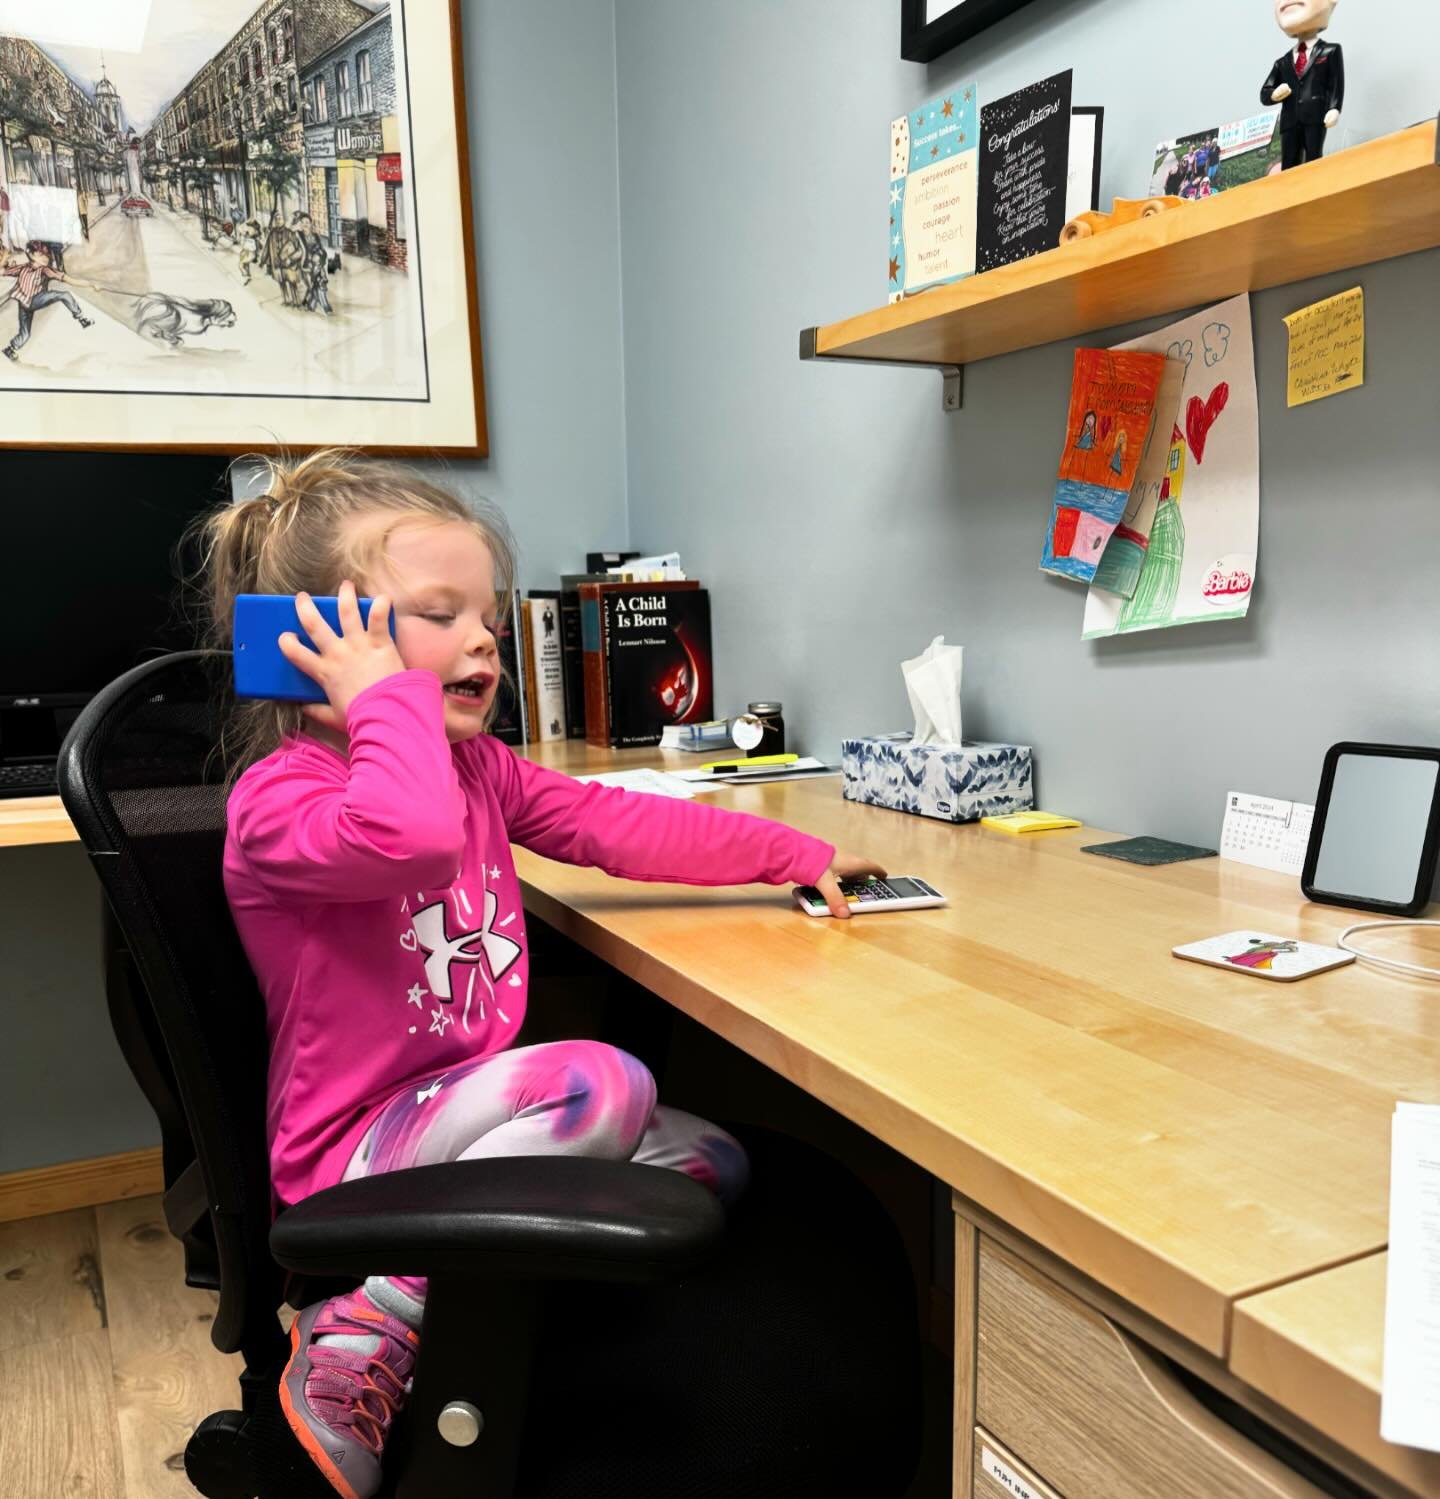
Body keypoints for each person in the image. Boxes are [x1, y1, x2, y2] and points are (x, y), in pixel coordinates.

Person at [196, 450, 883, 1498]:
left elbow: (614, 822)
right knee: (600, 1084)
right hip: (356, 1148)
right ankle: (367, 1323)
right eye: (439, 612)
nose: (485, 638)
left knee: (713, 1165)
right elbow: (409, 835)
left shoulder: (478, 767)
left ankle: (495, 1285)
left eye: (488, 611)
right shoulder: (276, 802)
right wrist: (384, 702)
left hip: (471, 1122)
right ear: (314, 644)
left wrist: (796, 854)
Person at [1261, 0, 1344, 169]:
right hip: (1289, 122)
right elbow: (1265, 91)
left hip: (1315, 117)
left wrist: (1334, 108)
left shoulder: (1330, 51)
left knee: (1314, 161)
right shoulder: (1282, 62)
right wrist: (1274, 94)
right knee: (1289, 164)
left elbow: (1336, 83)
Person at [2, 240, 94, 362]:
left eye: (47, 255)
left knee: (64, 295)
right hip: (25, 304)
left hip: (36, 299)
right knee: (25, 334)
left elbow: (67, 279)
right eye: (41, 255)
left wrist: (89, 284)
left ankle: (82, 319)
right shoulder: (22, 268)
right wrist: (5, 257)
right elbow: (2, 271)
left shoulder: (45, 270)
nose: (46, 258)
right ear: (31, 254)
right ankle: (10, 349)